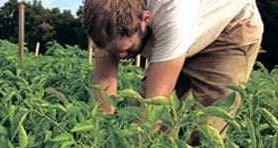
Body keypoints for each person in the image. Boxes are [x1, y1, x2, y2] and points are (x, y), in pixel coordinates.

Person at [83, 0, 264, 138]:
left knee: (206, 132)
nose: (122, 57)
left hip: (228, 31)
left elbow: (155, 105)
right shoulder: (105, 16)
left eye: (126, 50)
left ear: (145, 19)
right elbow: (104, 86)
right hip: (176, 31)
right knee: (136, 116)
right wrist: (102, 135)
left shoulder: (172, 15)